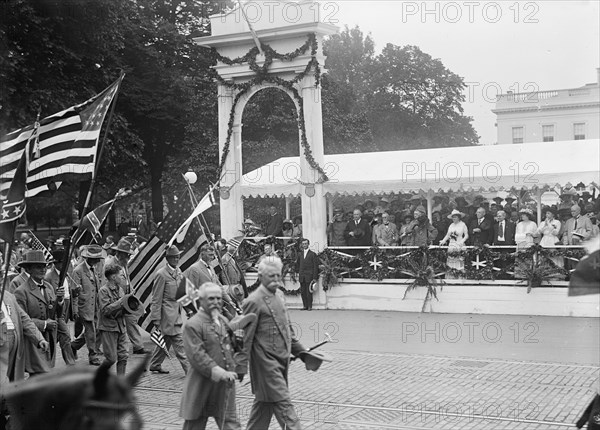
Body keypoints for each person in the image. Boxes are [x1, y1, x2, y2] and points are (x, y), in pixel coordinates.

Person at [238, 256, 308, 430]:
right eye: (271, 276)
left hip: (281, 363)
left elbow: (289, 333)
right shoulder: (253, 301)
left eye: (278, 275)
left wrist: (305, 354)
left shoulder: (279, 297)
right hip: (265, 367)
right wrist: (239, 367)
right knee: (287, 411)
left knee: (261, 412)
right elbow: (245, 338)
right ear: (260, 277)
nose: (276, 279)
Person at [180, 283, 246, 430]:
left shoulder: (222, 320)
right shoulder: (193, 325)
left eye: (218, 298)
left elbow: (233, 346)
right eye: (211, 298)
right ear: (201, 300)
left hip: (224, 386)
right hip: (201, 385)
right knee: (195, 424)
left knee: (231, 424)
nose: (216, 302)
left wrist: (239, 365)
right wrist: (218, 371)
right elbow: (197, 356)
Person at [13, 250, 62, 376]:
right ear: (28, 270)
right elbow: (21, 320)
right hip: (33, 341)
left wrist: (60, 301)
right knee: (38, 374)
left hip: (49, 338)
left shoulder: (49, 287)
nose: (43, 270)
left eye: (44, 267)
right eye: (38, 267)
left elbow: (57, 314)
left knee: (46, 374)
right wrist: (44, 324)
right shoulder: (21, 291)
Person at [149, 245, 189, 374]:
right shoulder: (161, 274)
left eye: (178, 257)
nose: (177, 259)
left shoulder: (178, 272)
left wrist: (188, 308)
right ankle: (191, 372)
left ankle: (155, 364)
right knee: (180, 344)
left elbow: (182, 292)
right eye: (174, 257)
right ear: (168, 258)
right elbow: (156, 298)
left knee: (165, 339)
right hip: (167, 315)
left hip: (176, 313)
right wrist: (155, 318)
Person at [106, 239, 148, 355]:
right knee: (107, 325)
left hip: (127, 298)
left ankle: (138, 346)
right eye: (127, 254)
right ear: (120, 254)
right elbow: (108, 283)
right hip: (116, 299)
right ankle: (80, 344)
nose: (129, 256)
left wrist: (131, 289)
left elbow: (127, 280)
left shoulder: (124, 264)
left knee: (131, 320)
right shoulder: (111, 264)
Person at [1, 291, 49, 384]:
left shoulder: (9, 296)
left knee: (12, 379)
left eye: (2, 276)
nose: (2, 277)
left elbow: (24, 319)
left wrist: (39, 338)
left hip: (15, 344)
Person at [70, 245, 105, 366]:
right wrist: (75, 310)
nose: (98, 261)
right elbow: (74, 292)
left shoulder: (94, 269)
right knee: (90, 330)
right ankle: (93, 355)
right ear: (89, 258)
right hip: (84, 306)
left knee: (95, 330)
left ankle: (73, 345)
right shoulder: (78, 271)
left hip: (95, 306)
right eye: (96, 258)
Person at [44, 249, 76, 366]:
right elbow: (50, 296)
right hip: (56, 310)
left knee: (58, 336)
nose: (65, 264)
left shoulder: (65, 273)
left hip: (66, 305)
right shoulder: (49, 277)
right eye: (63, 262)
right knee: (66, 335)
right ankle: (70, 362)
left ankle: (47, 360)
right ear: (56, 263)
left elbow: (68, 291)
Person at [98, 263, 129, 374]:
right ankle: (99, 377)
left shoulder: (120, 290)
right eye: (120, 275)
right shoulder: (103, 291)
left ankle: (120, 383)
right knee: (111, 358)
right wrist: (121, 302)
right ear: (113, 277)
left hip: (121, 326)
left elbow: (123, 307)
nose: (122, 277)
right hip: (109, 328)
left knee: (123, 356)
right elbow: (105, 310)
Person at [439, 209, 468, 278]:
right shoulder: (451, 225)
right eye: (453, 217)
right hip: (452, 244)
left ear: (459, 217)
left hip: (459, 244)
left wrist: (462, 241)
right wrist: (443, 240)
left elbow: (466, 235)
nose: (453, 218)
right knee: (451, 261)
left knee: (459, 260)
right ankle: (451, 277)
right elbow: (448, 235)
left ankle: (460, 277)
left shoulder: (463, 224)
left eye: (455, 217)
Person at [295, 238, 319, 311]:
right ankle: (305, 305)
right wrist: (298, 271)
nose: (304, 245)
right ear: (302, 245)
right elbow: (298, 264)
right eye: (303, 244)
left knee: (309, 292)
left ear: (308, 244)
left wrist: (314, 277)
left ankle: (309, 306)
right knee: (303, 292)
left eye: (306, 243)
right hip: (302, 276)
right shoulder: (300, 254)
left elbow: (315, 266)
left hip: (309, 275)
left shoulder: (313, 254)